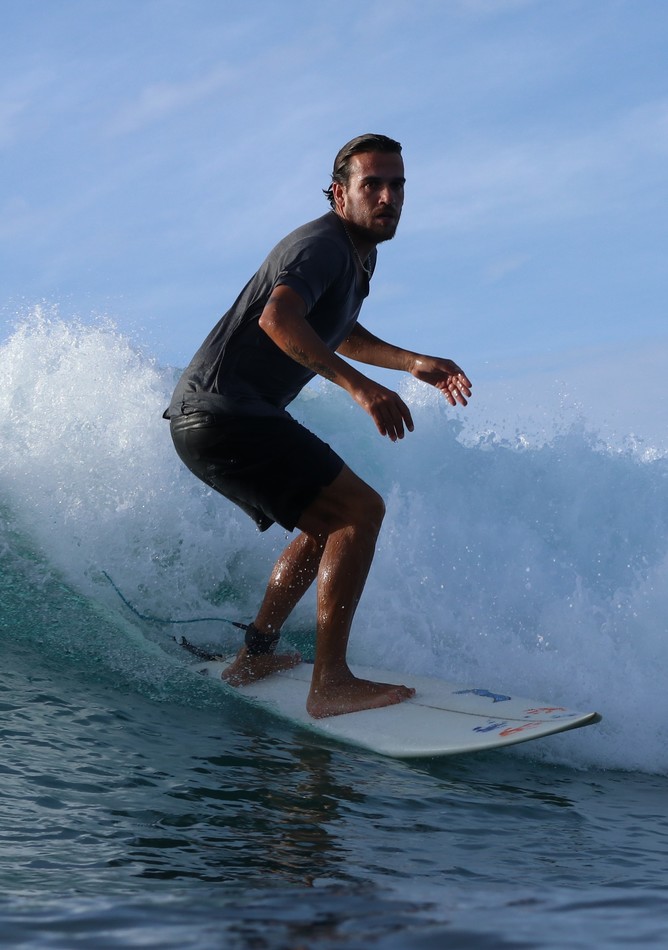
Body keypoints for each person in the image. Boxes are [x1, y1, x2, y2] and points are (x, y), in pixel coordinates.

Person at [165, 133, 471, 718]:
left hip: (215, 417)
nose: (388, 197)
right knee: (361, 511)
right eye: (372, 184)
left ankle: (255, 655)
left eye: (397, 185)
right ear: (339, 193)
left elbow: (336, 327)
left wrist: (411, 363)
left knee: (328, 521)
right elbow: (279, 318)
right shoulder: (324, 245)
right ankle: (330, 683)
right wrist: (361, 388)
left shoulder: (358, 253)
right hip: (225, 412)